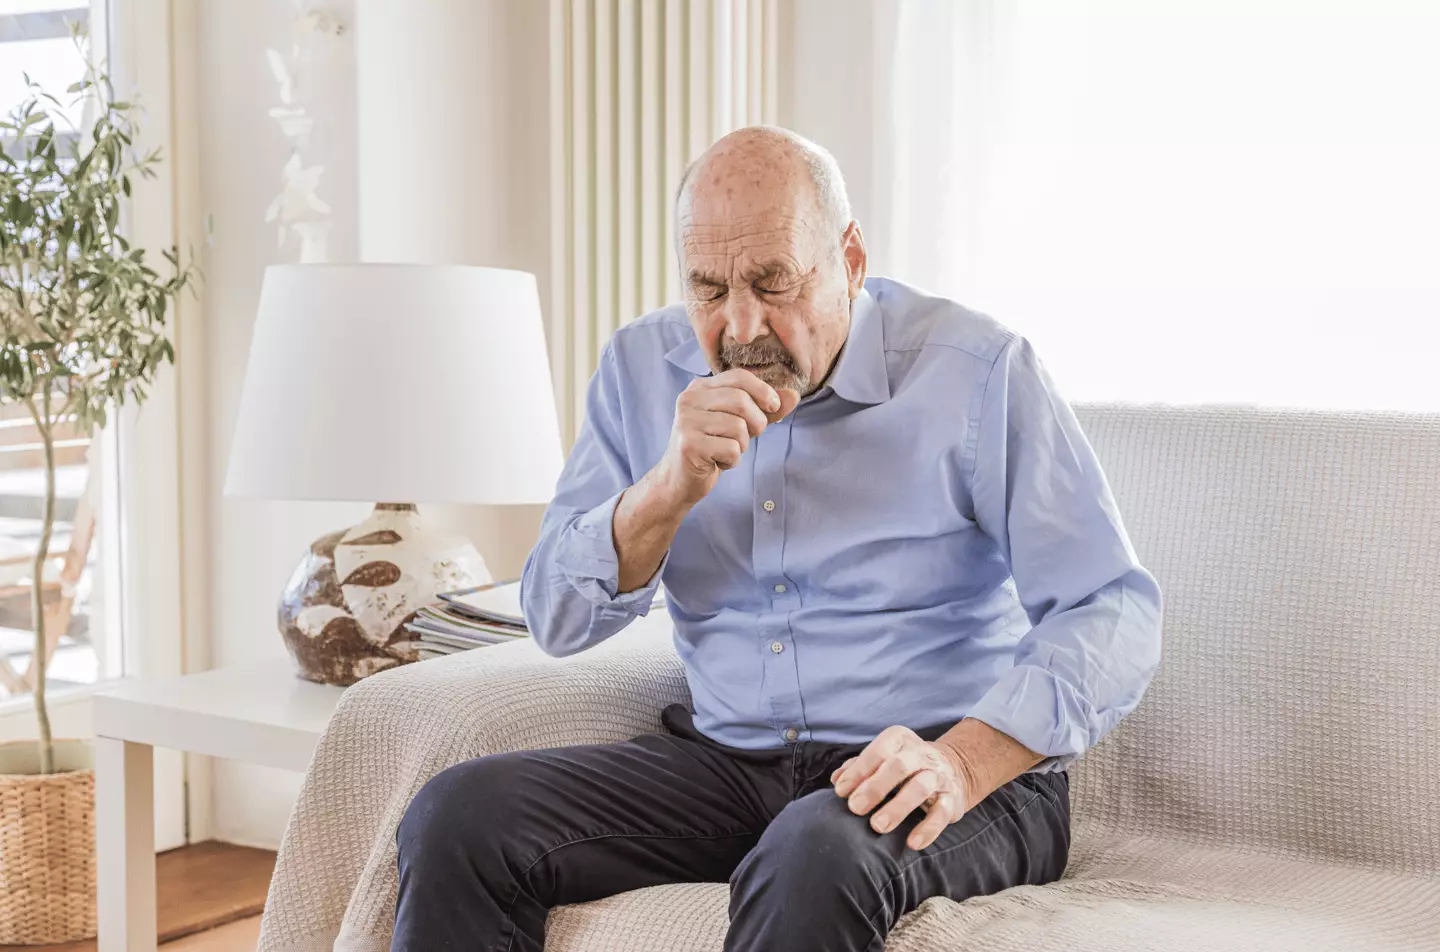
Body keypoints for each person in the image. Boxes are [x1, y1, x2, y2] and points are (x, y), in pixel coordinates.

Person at [391, 125, 1163, 952]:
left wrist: (964, 762)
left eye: (773, 280)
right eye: (709, 288)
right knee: (458, 816)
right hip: (726, 763)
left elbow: (1111, 611)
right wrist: (666, 488)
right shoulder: (638, 368)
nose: (741, 323)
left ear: (851, 260)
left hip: (940, 771)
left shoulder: (975, 371)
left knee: (812, 854)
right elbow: (557, 618)